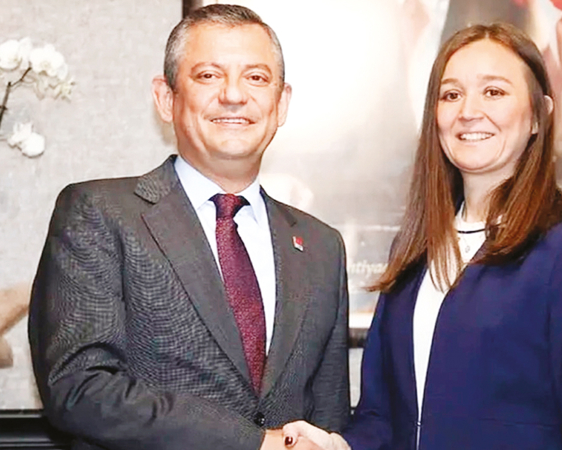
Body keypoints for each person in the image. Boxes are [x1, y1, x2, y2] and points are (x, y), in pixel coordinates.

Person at [283, 22, 562, 450]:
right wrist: (337, 446)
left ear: (538, 115)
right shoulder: (415, 251)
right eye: (451, 95)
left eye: (494, 92)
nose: (468, 111)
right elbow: (382, 418)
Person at [28, 5, 349, 450]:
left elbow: (328, 418)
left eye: (256, 77)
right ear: (166, 98)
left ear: (281, 103)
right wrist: (255, 443)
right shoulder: (98, 213)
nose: (233, 95)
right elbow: (80, 388)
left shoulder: (321, 246)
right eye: (208, 75)